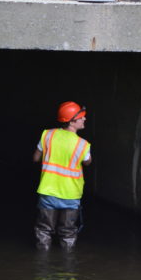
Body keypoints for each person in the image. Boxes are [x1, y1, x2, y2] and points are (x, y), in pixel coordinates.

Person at [32, 101, 92, 251]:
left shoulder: (48, 135)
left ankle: (42, 261)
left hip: (48, 191)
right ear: (72, 121)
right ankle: (67, 264)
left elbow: (35, 158)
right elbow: (87, 162)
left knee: (44, 230)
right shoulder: (83, 144)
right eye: (82, 117)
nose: (84, 119)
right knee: (68, 233)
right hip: (70, 195)